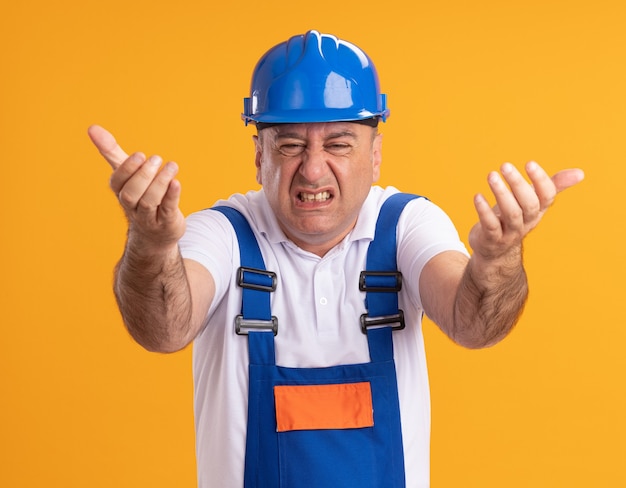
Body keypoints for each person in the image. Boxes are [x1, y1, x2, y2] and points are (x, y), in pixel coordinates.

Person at [89, 30, 584, 488]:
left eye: (339, 144)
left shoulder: (406, 223)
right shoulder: (221, 232)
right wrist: (151, 247)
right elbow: (162, 329)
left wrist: (498, 259)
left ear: (375, 155)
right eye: (290, 144)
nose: (313, 168)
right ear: (259, 155)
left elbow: (474, 325)